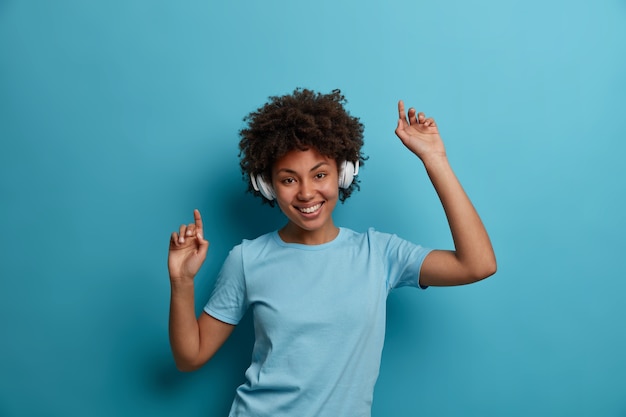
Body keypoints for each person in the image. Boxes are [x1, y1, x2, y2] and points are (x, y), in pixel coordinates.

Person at [167, 88, 496, 417]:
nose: (307, 192)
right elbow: (190, 357)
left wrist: (435, 160)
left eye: (320, 174)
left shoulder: (379, 253)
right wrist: (182, 281)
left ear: (344, 172)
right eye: (288, 179)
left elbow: (477, 264)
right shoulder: (246, 259)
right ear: (267, 185)